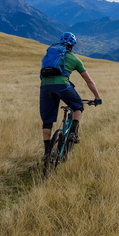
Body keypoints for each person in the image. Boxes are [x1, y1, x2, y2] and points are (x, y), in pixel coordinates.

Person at [40, 32, 101, 160]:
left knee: (47, 122)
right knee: (78, 106)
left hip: (45, 87)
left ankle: (46, 153)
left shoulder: (49, 55)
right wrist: (97, 97)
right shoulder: (74, 59)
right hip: (62, 86)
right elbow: (89, 81)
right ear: (72, 45)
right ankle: (73, 133)